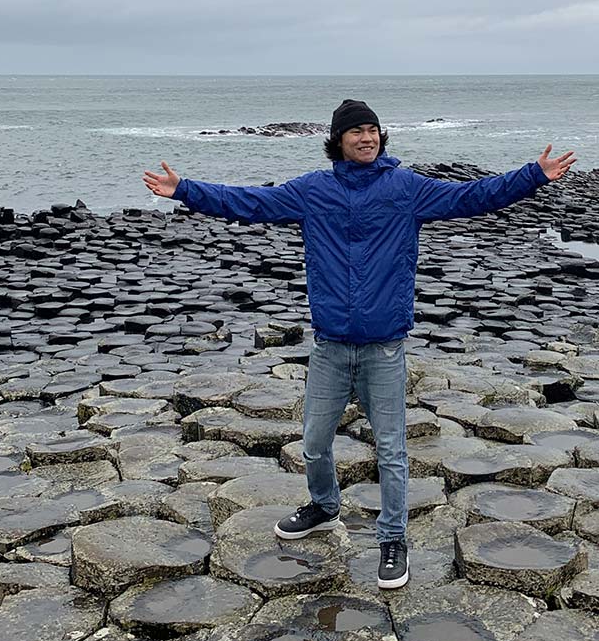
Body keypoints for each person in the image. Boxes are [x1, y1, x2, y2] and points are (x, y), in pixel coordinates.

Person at [144, 99, 575, 589]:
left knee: (391, 449)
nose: (367, 138)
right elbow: (251, 203)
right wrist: (184, 190)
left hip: (384, 347)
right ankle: (325, 507)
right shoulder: (313, 191)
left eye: (373, 130)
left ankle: (393, 538)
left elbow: (472, 196)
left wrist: (532, 175)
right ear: (339, 140)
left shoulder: (406, 188)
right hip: (330, 345)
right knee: (312, 443)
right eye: (356, 132)